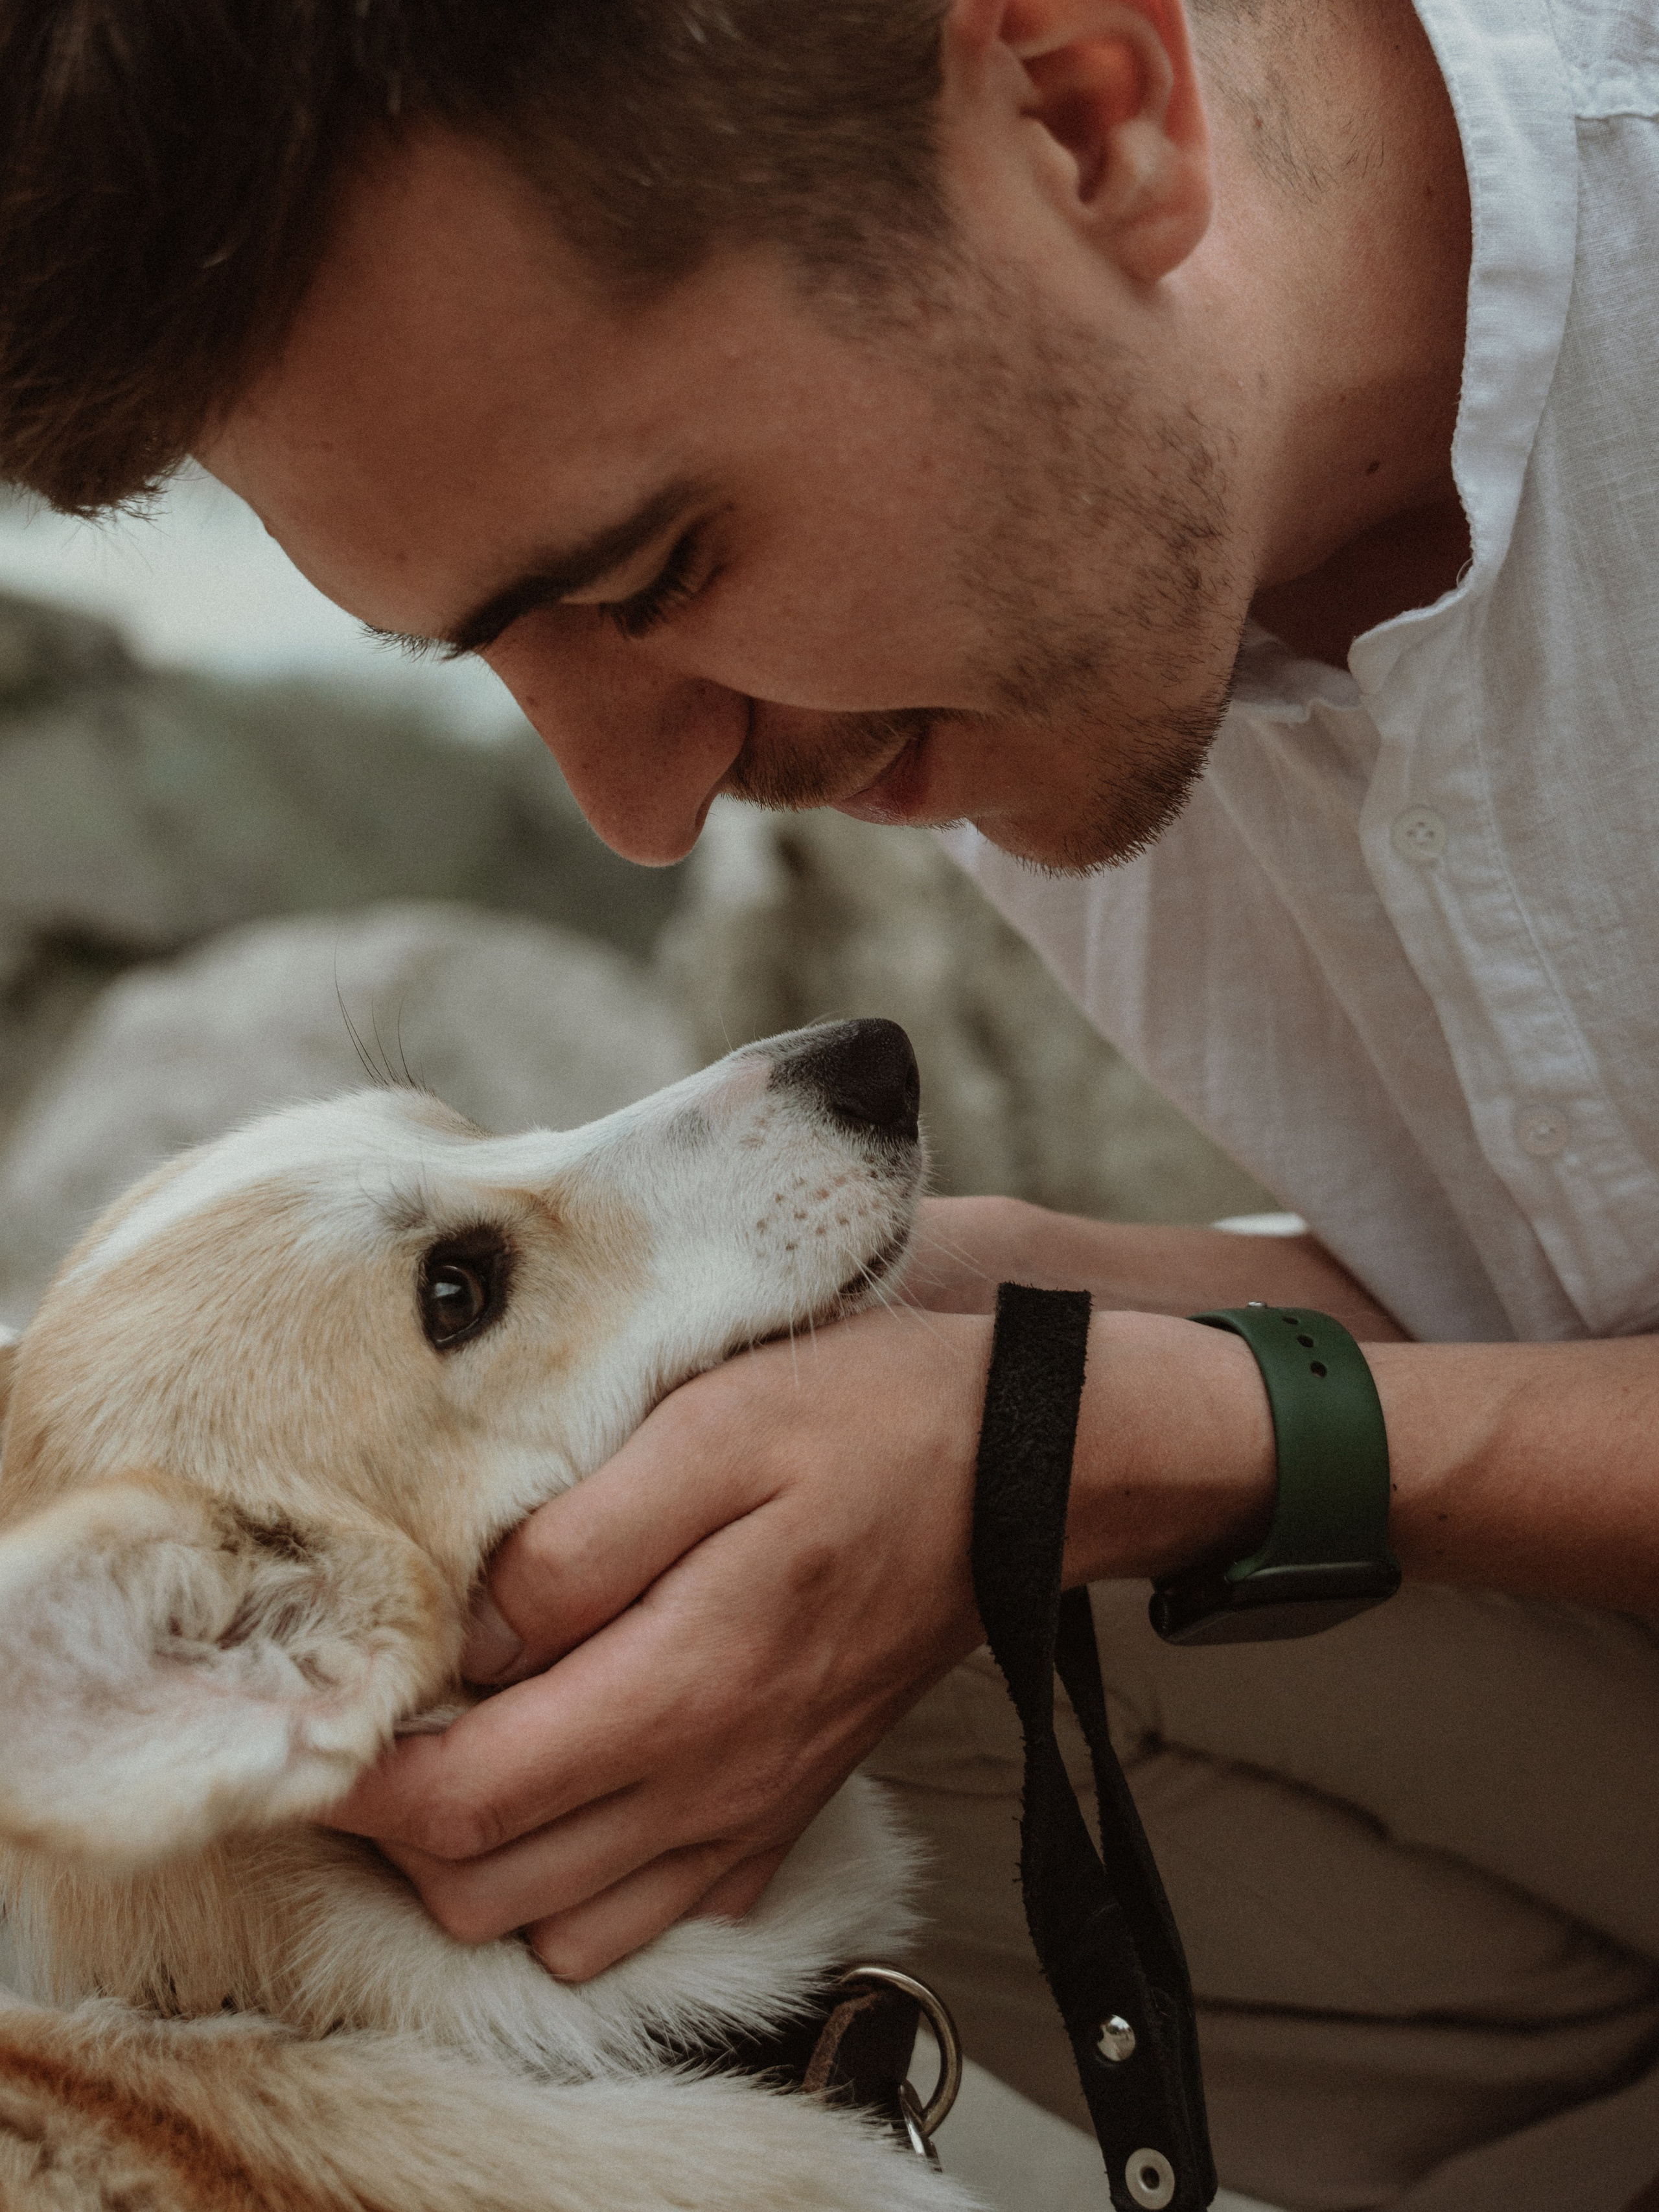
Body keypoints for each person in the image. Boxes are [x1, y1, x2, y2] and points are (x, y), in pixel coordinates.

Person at [3, 0, 1658, 2201]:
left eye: (654, 575)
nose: (640, 808)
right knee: (688, 1598)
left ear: (1084, 109)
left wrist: (1125, 1431)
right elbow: (1559, 1279)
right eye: (499, 655)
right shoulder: (1045, 552)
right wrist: (1013, 1318)